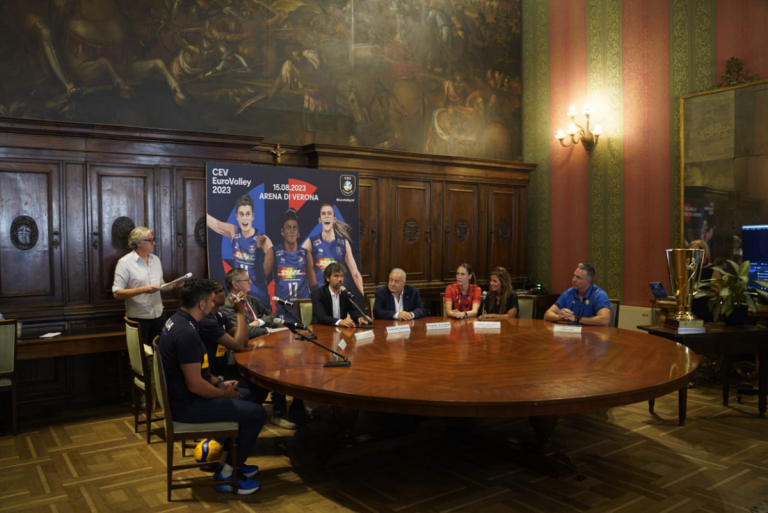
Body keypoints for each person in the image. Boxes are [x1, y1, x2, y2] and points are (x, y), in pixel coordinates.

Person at [158, 279, 266, 495]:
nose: (213, 303)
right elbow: (196, 385)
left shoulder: (177, 320)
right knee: (257, 413)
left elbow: (197, 375)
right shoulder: (187, 333)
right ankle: (228, 474)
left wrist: (218, 382)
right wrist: (224, 393)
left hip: (184, 395)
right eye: (210, 300)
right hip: (186, 405)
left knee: (249, 396)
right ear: (201, 304)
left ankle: (232, 460)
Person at [220, 268, 305, 429]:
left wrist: (258, 322)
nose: (250, 282)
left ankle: (297, 407)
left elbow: (272, 317)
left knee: (293, 359)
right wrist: (264, 328)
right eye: (246, 280)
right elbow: (245, 333)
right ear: (235, 284)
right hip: (244, 353)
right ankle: (279, 414)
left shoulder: (251, 300)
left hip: (262, 346)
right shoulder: (226, 306)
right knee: (277, 366)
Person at [198, 281, 270, 405]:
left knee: (261, 378)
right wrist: (240, 312)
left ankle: (249, 411)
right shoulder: (206, 321)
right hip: (211, 372)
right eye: (221, 291)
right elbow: (239, 346)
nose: (225, 294)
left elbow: (243, 338)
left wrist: (239, 312)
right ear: (212, 297)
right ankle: (246, 412)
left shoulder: (220, 315)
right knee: (256, 386)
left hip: (221, 366)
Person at [113, 227, 184, 345]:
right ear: (139, 243)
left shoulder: (155, 260)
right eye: (150, 240)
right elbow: (117, 293)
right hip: (138, 318)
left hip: (159, 315)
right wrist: (142, 290)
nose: (154, 243)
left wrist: (172, 286)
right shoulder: (125, 262)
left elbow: (160, 285)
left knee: (160, 354)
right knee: (143, 357)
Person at [207, 194, 273, 309]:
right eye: (241, 214)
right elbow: (216, 224)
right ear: (236, 216)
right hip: (239, 295)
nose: (245, 218)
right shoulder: (233, 231)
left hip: (259, 296)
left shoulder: (263, 239)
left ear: (253, 216)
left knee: (263, 325)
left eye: (248, 214)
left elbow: (276, 261)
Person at [302, 204, 364, 297]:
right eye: (323, 214)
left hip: (339, 294)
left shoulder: (343, 243)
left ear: (334, 219)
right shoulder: (311, 242)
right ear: (320, 220)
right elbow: (298, 263)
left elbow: (355, 273)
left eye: (329, 213)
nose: (326, 215)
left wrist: (364, 298)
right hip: (320, 295)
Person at [264, 209, 316, 318]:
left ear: (298, 232)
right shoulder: (273, 252)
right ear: (282, 231)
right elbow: (261, 281)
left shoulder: (305, 254)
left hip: (303, 308)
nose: (292, 231)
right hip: (283, 308)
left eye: (295, 228)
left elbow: (313, 285)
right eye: (288, 228)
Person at [544, 263, 610, 326]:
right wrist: (559, 317)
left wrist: (576, 318)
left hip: (593, 335)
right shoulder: (568, 293)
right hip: (573, 335)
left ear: (589, 281)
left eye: (578, 278)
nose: (573, 280)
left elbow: (605, 319)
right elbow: (547, 314)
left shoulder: (599, 295)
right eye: (574, 276)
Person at [311, 262, 369, 327]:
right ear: (327, 278)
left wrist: (360, 319)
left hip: (340, 329)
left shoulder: (345, 294)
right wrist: (339, 321)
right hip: (321, 329)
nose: (340, 279)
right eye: (336, 276)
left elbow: (354, 312)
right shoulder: (318, 294)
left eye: (341, 276)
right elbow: (321, 316)